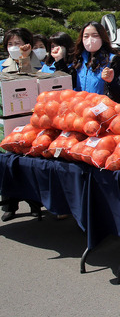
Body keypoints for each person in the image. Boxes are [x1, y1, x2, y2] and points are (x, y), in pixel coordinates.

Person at [1, 28, 43, 221]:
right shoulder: (2, 66)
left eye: (18, 43)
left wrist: (25, 59)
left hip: (29, 117)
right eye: (10, 44)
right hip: (8, 118)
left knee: (27, 163)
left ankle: (35, 203)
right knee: (8, 163)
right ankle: (10, 204)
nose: (13, 47)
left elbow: (32, 80)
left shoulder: (38, 64)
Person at [68, 22, 120, 103]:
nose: (90, 39)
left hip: (102, 109)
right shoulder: (77, 59)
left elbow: (119, 94)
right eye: (86, 36)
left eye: (95, 35)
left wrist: (111, 81)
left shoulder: (112, 59)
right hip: (80, 108)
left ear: (102, 38)